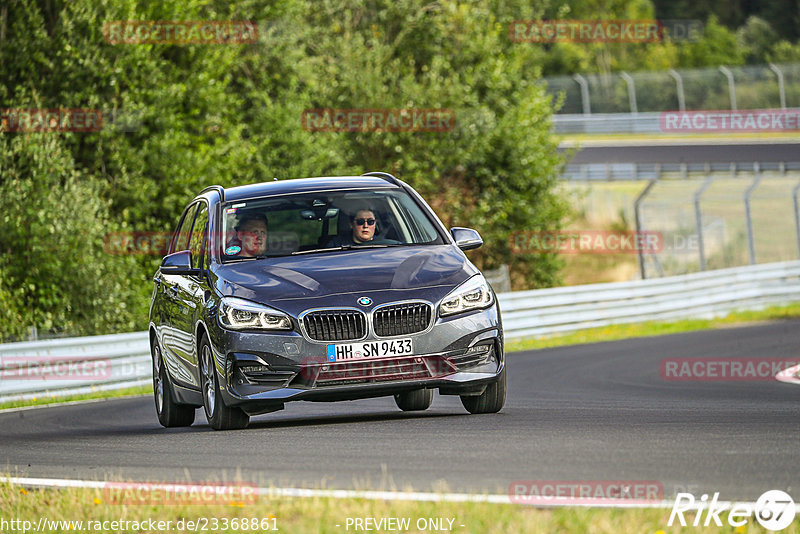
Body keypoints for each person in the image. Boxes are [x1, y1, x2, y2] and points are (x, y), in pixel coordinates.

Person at [326, 208, 399, 247]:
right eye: (360, 222)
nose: (365, 226)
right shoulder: (336, 245)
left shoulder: (386, 245)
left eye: (370, 222)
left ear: (375, 223)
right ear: (351, 224)